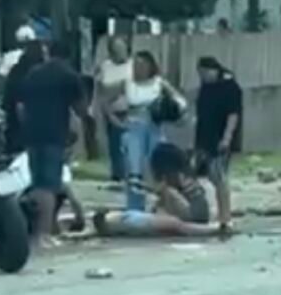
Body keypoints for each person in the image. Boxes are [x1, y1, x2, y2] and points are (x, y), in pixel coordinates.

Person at [18, 40, 92, 248]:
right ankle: (44, 234)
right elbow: (81, 109)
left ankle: (32, 230)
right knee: (49, 184)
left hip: (32, 133)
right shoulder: (69, 76)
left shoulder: (33, 74)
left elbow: (21, 108)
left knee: (35, 181)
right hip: (54, 134)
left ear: (49, 52)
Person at [92, 143, 220, 238]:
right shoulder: (182, 182)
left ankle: (108, 224)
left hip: (185, 219)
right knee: (139, 215)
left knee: (168, 220)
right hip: (180, 218)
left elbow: (185, 218)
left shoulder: (177, 184)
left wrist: (162, 193)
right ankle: (109, 222)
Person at [111, 50, 185, 212]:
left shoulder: (159, 83)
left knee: (158, 167)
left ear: (150, 66)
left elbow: (180, 102)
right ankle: (135, 207)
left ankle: (163, 205)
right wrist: (118, 121)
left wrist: (171, 110)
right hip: (134, 127)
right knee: (133, 168)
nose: (139, 68)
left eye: (142, 65)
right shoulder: (127, 84)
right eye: (136, 65)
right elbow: (109, 104)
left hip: (154, 127)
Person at [194, 56, 242, 237]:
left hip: (221, 137)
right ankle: (221, 215)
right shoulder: (206, 88)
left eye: (204, 73)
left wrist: (227, 138)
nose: (202, 77)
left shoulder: (230, 87)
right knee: (212, 177)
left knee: (220, 177)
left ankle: (225, 218)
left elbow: (233, 115)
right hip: (205, 137)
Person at [95, 36, 133, 181]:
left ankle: (132, 175)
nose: (120, 52)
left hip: (130, 111)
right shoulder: (106, 66)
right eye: (116, 49)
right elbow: (101, 91)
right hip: (111, 112)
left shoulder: (133, 65)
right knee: (116, 146)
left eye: (122, 48)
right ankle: (118, 176)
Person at [2, 39, 46, 153]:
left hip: (12, 124)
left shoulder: (16, 70)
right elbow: (20, 106)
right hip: (30, 128)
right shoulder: (37, 73)